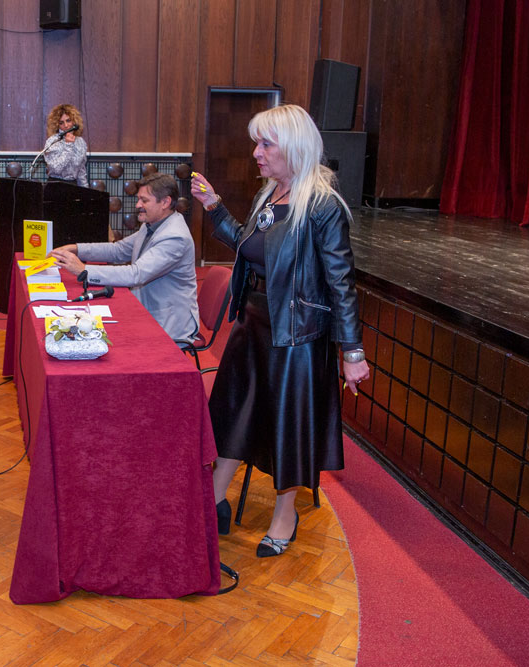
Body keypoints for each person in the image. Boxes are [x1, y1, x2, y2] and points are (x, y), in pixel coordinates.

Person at [190, 104, 369, 558]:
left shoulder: (322, 205)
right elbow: (250, 246)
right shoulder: (269, 195)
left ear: (293, 147)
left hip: (296, 337)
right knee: (232, 413)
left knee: (288, 426)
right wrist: (214, 207)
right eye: (258, 143)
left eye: (266, 144)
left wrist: (352, 352)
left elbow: (341, 283)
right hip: (252, 325)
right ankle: (214, 498)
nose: (256, 152)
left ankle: (285, 515)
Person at [50, 172, 199, 343]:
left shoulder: (175, 237)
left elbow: (136, 274)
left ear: (165, 202)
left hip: (168, 324)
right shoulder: (151, 224)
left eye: (144, 200)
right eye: (138, 199)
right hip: (147, 310)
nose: (138, 205)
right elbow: (118, 250)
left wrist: (84, 270)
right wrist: (77, 249)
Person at [43, 103, 88, 187]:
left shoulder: (81, 142)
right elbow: (56, 169)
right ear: (57, 125)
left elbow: (81, 172)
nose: (66, 125)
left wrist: (85, 190)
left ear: (74, 121)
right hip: (55, 185)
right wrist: (68, 145)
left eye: (68, 121)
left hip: (73, 185)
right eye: (61, 123)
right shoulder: (52, 141)